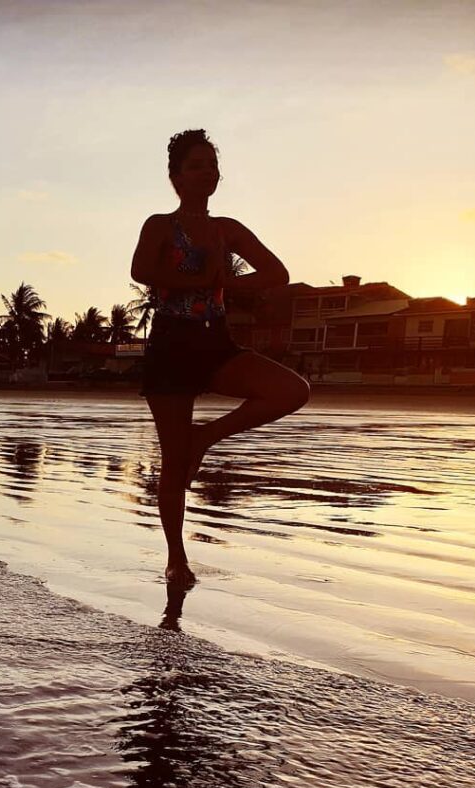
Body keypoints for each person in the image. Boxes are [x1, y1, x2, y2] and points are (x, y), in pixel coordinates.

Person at [131, 129, 309, 588]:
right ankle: (176, 559)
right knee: (173, 462)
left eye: (212, 165)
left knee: (291, 390)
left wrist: (223, 285)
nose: (207, 172)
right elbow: (141, 270)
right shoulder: (159, 225)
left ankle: (204, 437)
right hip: (170, 346)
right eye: (196, 165)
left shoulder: (226, 229)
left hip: (215, 341)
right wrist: (198, 282)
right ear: (176, 177)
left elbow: (276, 273)